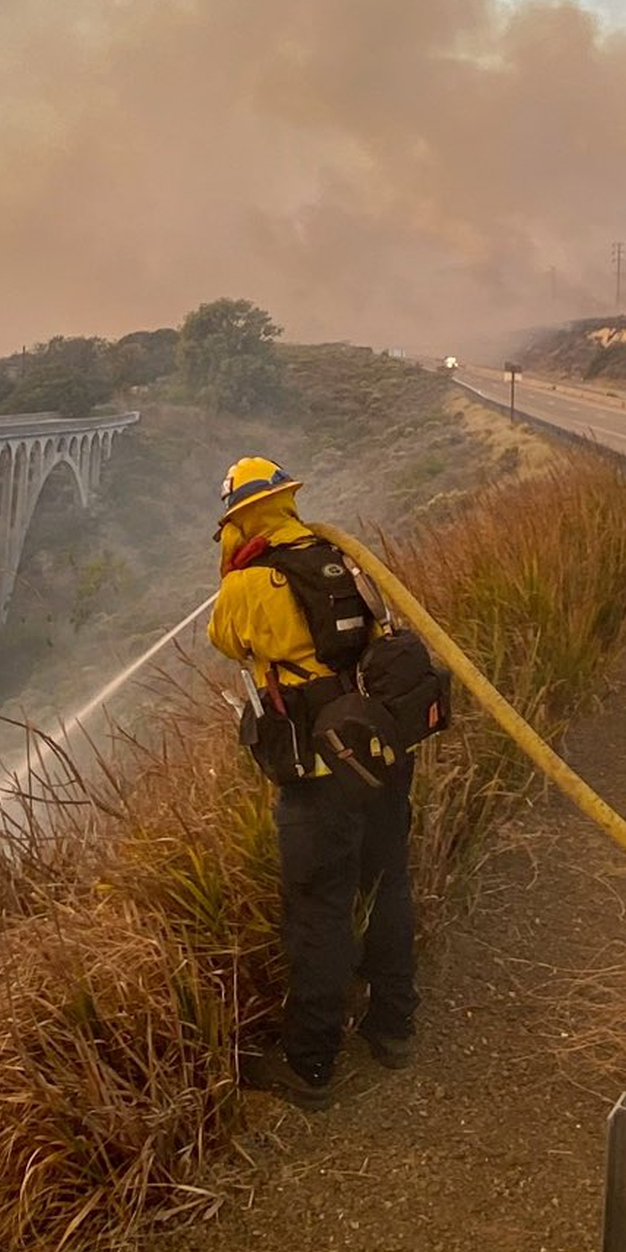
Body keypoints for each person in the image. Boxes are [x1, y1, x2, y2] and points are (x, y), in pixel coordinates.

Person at [206, 456, 418, 1111]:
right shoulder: (340, 558)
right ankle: (393, 1028)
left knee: (318, 911)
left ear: (239, 519)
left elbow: (225, 640)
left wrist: (232, 562)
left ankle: (311, 1064)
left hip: (319, 776)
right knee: (387, 885)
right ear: (288, 502)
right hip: (379, 755)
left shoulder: (249, 583)